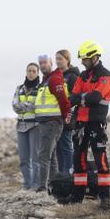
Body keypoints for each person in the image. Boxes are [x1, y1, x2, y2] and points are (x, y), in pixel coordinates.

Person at [63, 40, 110, 210]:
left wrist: (81, 98)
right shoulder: (82, 76)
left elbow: (95, 97)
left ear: (95, 57)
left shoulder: (107, 76)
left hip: (96, 123)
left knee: (100, 159)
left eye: (85, 59)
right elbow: (72, 98)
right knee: (78, 159)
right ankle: (78, 196)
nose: (83, 62)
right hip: (80, 123)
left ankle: (105, 197)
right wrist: (83, 98)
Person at [34, 54, 71, 192]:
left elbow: (63, 100)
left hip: (52, 122)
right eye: (41, 63)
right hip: (46, 122)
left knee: (44, 155)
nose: (43, 65)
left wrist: (66, 116)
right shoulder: (46, 80)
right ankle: (55, 186)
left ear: (51, 63)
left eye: (45, 62)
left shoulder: (54, 79)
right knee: (52, 156)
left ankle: (42, 188)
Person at [12, 62, 41, 189]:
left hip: (35, 126)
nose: (31, 73)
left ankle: (35, 185)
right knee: (23, 159)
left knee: (35, 159)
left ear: (37, 73)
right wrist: (28, 106)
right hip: (21, 126)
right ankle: (27, 184)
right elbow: (14, 106)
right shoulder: (19, 88)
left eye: (34, 71)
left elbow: (37, 106)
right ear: (26, 72)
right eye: (29, 70)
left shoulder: (41, 88)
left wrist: (23, 106)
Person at [56, 49, 80, 175]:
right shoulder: (57, 76)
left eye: (60, 59)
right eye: (57, 59)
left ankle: (69, 172)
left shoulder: (72, 76)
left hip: (68, 116)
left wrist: (66, 108)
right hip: (56, 116)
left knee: (66, 144)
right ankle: (61, 173)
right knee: (58, 147)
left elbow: (76, 97)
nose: (58, 61)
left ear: (67, 60)